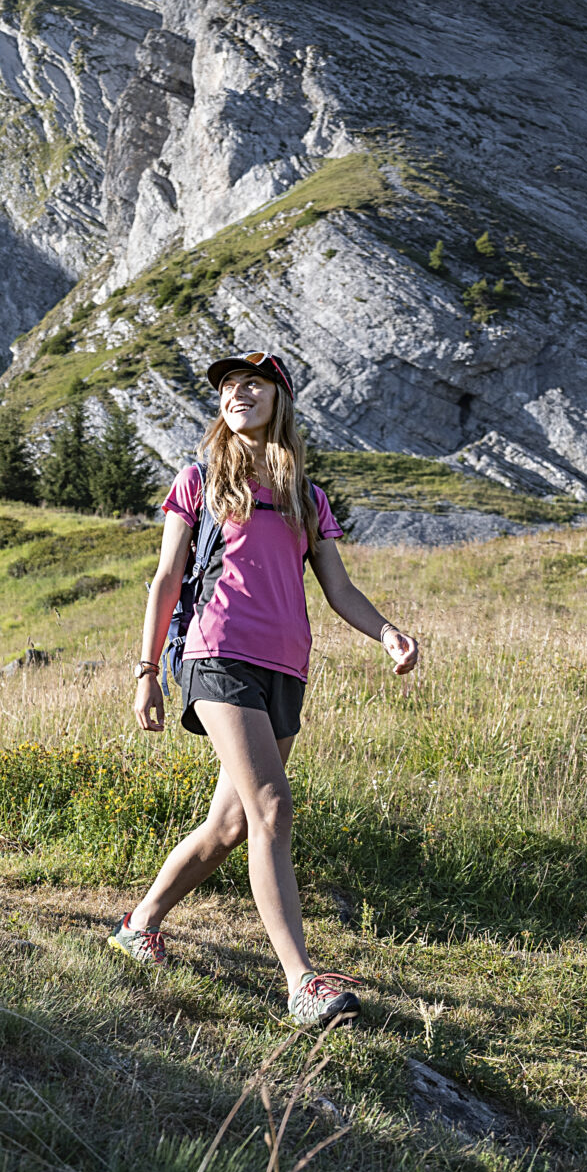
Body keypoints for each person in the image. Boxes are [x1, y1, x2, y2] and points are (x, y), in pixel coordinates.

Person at [111, 351, 418, 1025]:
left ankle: (138, 924)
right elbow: (164, 580)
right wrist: (143, 673)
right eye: (226, 386)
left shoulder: (306, 495)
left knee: (228, 826)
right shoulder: (196, 479)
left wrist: (387, 632)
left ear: (280, 399)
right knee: (271, 808)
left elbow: (336, 587)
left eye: (252, 384)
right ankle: (300, 982)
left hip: (285, 668)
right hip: (214, 654)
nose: (236, 393)